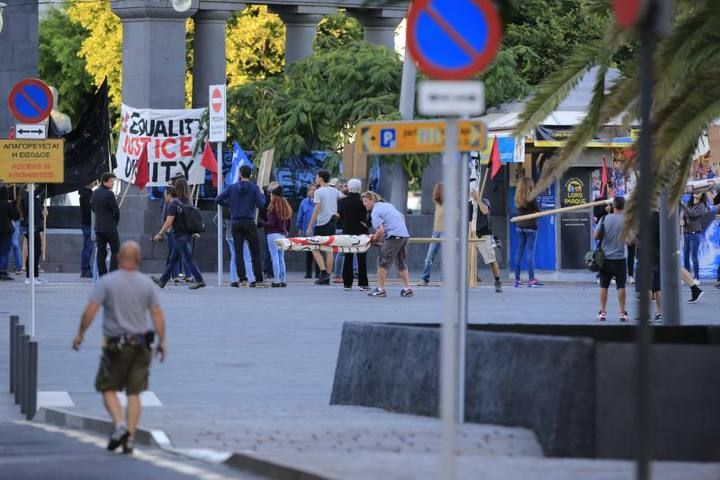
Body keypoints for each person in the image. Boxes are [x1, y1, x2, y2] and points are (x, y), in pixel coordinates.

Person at [72, 241, 166, 455]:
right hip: (141, 345)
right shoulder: (147, 284)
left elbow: (91, 309)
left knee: (107, 387)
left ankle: (119, 426)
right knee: (135, 393)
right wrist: (163, 342)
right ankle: (130, 438)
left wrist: (80, 334)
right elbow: (157, 313)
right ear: (139, 260)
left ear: (118, 258)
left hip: (115, 346)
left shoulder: (107, 282)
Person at [216, 164, 268, 287]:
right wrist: (262, 195)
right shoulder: (254, 188)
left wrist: (231, 205)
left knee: (238, 252)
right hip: (249, 222)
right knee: (255, 251)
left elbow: (218, 199)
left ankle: (242, 279)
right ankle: (258, 279)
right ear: (250, 175)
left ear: (240, 174)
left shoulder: (232, 188)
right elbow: (261, 205)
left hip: (236, 223)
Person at [151, 186, 206, 289]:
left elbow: (169, 222)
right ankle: (162, 281)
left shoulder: (173, 205)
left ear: (169, 194)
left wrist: (160, 233)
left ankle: (200, 280)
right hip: (182, 236)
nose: (165, 198)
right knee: (173, 260)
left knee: (188, 259)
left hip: (180, 237)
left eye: (165, 195)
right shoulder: (179, 203)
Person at [362, 191, 413, 298]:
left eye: (366, 201)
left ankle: (380, 289)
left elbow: (380, 230)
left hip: (393, 237)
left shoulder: (375, 212)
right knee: (401, 263)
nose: (364, 204)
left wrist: (373, 240)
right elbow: (401, 216)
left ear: (372, 200)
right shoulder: (387, 205)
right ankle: (407, 289)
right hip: (404, 235)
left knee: (382, 263)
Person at [594, 197, 629, 321]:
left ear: (613, 206)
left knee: (604, 285)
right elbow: (630, 239)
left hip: (605, 258)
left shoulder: (604, 219)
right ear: (624, 207)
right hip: (620, 258)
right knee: (621, 286)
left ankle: (602, 312)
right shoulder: (626, 220)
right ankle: (622, 313)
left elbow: (595, 236)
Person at [306, 169, 343, 285]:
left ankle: (323, 273)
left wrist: (310, 226)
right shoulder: (334, 190)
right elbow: (343, 197)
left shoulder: (319, 192)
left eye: (316, 177)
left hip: (322, 223)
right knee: (329, 250)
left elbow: (317, 209)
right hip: (332, 222)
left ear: (321, 179)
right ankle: (328, 274)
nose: (315, 179)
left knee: (314, 248)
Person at [338, 179, 369, 291]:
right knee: (362, 258)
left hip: (347, 231)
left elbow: (341, 216)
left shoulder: (342, 201)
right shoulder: (363, 201)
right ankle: (363, 284)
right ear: (359, 188)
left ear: (349, 188)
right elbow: (366, 217)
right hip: (361, 231)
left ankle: (347, 284)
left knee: (348, 258)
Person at [470, 190, 503, 293]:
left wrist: (478, 199)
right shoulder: (468, 204)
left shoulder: (485, 201)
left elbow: (485, 211)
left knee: (491, 260)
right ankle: (472, 277)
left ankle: (497, 281)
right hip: (472, 235)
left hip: (484, 235)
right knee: (467, 258)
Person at [514, 177, 543, 288]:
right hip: (531, 227)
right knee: (530, 253)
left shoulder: (517, 197)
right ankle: (531, 280)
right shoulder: (532, 198)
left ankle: (517, 280)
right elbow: (539, 211)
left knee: (519, 253)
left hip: (520, 226)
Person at [91, 173, 120, 276]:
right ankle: (112, 274)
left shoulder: (94, 193)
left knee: (101, 252)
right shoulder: (109, 194)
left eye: (114, 181)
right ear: (104, 182)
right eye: (111, 181)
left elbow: (93, 209)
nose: (113, 184)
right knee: (116, 250)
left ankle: (103, 276)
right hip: (110, 227)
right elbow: (116, 211)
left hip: (98, 227)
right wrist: (115, 222)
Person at [265, 187, 292, 288]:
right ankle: (283, 280)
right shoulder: (286, 207)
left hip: (272, 234)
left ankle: (276, 280)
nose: (270, 197)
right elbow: (289, 221)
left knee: (274, 257)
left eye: (271, 195)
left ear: (274, 196)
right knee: (281, 258)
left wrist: (263, 224)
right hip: (282, 234)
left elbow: (271, 223)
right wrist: (286, 231)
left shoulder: (272, 208)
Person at [21, 185, 46, 284]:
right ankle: (29, 277)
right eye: (32, 186)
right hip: (30, 227)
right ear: (27, 188)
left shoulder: (34, 198)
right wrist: (44, 182)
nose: (34, 187)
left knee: (37, 251)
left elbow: (37, 212)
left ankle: (35, 275)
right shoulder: (27, 196)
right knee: (32, 253)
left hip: (36, 226)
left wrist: (43, 213)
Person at [419, 183, 443, 286]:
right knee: (429, 257)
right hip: (436, 232)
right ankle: (425, 279)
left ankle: (445, 280)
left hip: (446, 231)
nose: (436, 193)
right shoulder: (437, 203)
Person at [681, 192, 708, 282]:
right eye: (696, 191)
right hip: (686, 233)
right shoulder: (689, 205)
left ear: (702, 195)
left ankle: (696, 277)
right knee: (685, 257)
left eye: (699, 192)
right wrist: (681, 220)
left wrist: (683, 205)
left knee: (694, 256)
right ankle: (687, 278)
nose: (697, 193)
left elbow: (692, 214)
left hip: (694, 234)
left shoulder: (702, 206)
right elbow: (684, 215)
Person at [296, 184, 319, 278]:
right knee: (309, 251)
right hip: (307, 230)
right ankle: (308, 272)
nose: (313, 192)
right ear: (308, 192)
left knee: (318, 251)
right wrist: (300, 228)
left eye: (314, 190)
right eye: (311, 190)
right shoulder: (304, 202)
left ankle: (319, 272)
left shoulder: (319, 202)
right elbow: (300, 216)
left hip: (318, 230)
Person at [0, 185, 20, 281]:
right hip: (6, 231)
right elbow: (15, 217)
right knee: (5, 252)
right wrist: (14, 206)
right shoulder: (7, 204)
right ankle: (3, 272)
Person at [79, 182, 94, 278]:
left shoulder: (84, 194)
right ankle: (85, 269)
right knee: (88, 247)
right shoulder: (87, 195)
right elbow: (89, 210)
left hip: (86, 223)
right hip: (89, 223)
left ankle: (85, 268)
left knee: (87, 247)